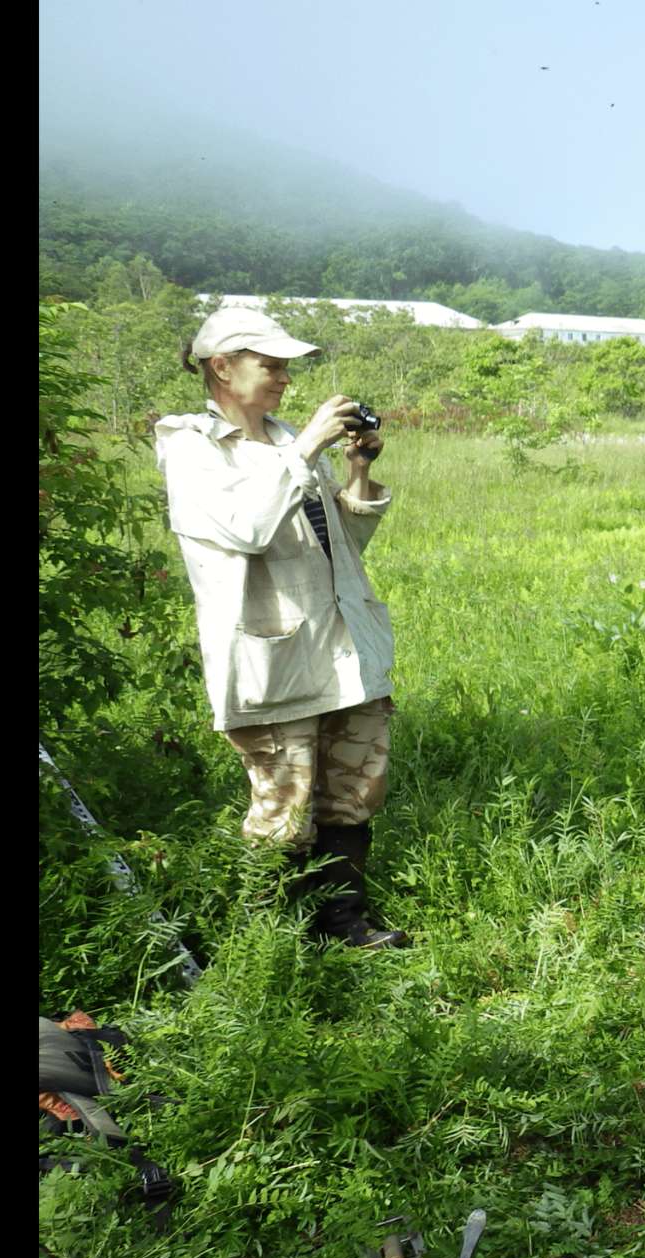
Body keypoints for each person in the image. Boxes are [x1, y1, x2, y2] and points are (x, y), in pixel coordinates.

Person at [154, 307, 409, 950]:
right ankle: (267, 946)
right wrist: (305, 449)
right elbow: (247, 529)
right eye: (270, 364)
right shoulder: (190, 445)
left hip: (343, 648)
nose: (285, 378)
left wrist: (354, 472)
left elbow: (342, 547)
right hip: (272, 659)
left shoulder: (288, 439)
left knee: (353, 791)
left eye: (286, 366)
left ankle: (343, 926)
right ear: (221, 367)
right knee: (283, 811)